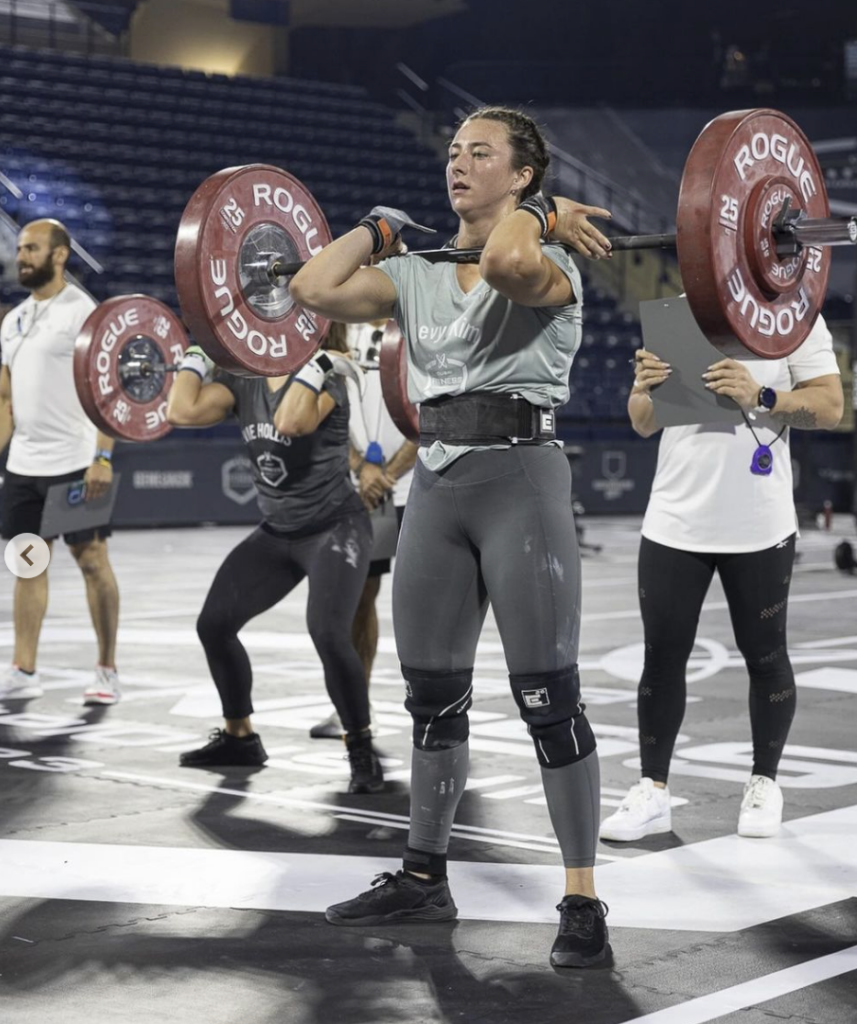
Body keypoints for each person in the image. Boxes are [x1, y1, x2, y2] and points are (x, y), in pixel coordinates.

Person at [290, 105, 615, 967]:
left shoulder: (548, 261)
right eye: (452, 152)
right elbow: (311, 290)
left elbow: (508, 257)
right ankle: (424, 876)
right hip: (434, 488)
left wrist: (543, 216)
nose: (458, 164)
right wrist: (376, 227)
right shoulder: (417, 270)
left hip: (521, 484)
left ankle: (582, 900)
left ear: (523, 176)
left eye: (481, 154)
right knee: (433, 699)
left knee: (548, 699)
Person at [599, 314, 843, 843]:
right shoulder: (682, 310)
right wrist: (644, 388)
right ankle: (653, 791)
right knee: (661, 659)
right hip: (675, 517)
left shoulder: (792, 315)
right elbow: (642, 421)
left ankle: (764, 782)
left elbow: (830, 407)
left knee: (766, 656)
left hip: (759, 521)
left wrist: (764, 395)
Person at [168, 332, 384, 794]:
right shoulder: (243, 380)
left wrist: (318, 363)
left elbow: (290, 422)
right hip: (278, 533)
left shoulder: (327, 379)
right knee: (214, 624)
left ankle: (360, 748)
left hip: (335, 527)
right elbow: (181, 410)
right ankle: (239, 736)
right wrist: (199, 350)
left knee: (328, 631)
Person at [0, 219, 120, 705]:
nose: (21, 256)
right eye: (21, 248)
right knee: (28, 565)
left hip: (75, 461)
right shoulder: (14, 320)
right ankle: (24, 670)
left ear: (60, 255)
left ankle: (107, 669)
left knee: (91, 561)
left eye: (32, 248)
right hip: (26, 464)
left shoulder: (83, 314)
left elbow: (106, 393)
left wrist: (102, 457)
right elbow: (5, 398)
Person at [310, 318, 418, 740]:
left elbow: (435, 405)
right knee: (358, 598)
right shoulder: (337, 324)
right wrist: (362, 467)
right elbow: (322, 401)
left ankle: (438, 708)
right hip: (357, 485)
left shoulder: (415, 317)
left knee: (428, 605)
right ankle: (355, 709)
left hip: (417, 484)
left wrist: (388, 474)